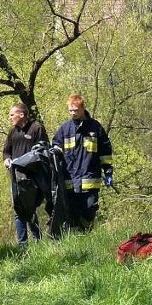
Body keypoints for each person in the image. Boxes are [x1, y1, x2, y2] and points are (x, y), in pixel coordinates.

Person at [52, 94, 113, 232]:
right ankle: (79, 238)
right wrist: (55, 150)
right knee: (73, 213)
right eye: (70, 111)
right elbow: (55, 145)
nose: (73, 113)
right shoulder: (65, 129)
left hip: (90, 176)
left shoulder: (95, 127)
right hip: (70, 180)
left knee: (90, 208)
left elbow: (105, 151)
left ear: (83, 108)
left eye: (76, 110)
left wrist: (108, 171)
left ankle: (86, 228)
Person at [2, 103, 48, 248]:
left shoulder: (36, 128)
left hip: (32, 178)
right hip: (16, 178)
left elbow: (42, 151)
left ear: (21, 115)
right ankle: (22, 246)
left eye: (11, 115)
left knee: (30, 209)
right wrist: (7, 159)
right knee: (19, 209)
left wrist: (23, 162)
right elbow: (6, 151)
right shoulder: (12, 132)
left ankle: (38, 240)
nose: (10, 118)